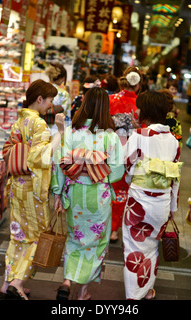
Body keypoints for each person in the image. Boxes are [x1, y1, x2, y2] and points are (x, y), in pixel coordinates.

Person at [51, 87, 125, 300]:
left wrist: (58, 192)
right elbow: (118, 170)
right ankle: (82, 291)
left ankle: (67, 280)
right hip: (98, 195)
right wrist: (99, 174)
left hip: (75, 193)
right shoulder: (110, 137)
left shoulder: (72, 133)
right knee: (97, 242)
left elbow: (60, 164)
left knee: (75, 238)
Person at [0, 79, 65, 300]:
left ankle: (7, 282)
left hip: (16, 185)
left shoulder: (19, 122)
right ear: (39, 99)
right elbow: (41, 157)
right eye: (50, 100)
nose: (51, 105)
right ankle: (17, 284)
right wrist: (60, 133)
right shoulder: (38, 124)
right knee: (36, 236)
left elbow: (10, 151)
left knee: (18, 235)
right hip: (31, 187)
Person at [122, 91, 182, 300]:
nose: (136, 111)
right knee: (151, 248)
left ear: (146, 111)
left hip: (139, 201)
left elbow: (127, 166)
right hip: (162, 202)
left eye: (139, 107)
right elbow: (175, 178)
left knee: (133, 248)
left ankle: (134, 296)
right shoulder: (173, 140)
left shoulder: (139, 135)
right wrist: (173, 207)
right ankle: (147, 290)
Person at [109, 66, 143, 242]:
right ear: (138, 85)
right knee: (123, 190)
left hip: (109, 149)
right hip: (131, 151)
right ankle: (115, 229)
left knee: (107, 186)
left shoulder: (110, 99)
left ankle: (103, 225)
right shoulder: (141, 103)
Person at [44, 63, 71, 128]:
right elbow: (67, 115)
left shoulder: (40, 88)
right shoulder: (64, 94)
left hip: (40, 126)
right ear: (62, 78)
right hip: (56, 129)